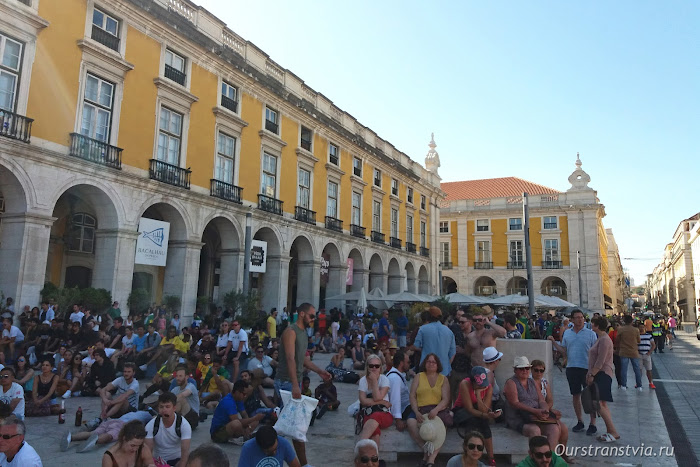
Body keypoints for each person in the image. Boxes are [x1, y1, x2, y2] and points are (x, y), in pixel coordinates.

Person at [275, 303, 331, 466]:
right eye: (311, 316)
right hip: (286, 382)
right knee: (294, 427)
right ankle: (302, 464)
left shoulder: (303, 333)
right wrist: (294, 385)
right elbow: (290, 358)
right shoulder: (291, 332)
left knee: (288, 427)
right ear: (301, 314)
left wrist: (319, 371)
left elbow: (302, 359)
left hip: (293, 381)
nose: (314, 319)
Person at [548, 309, 598, 435]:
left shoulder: (590, 334)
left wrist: (593, 371)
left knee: (590, 396)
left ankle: (593, 423)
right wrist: (554, 342)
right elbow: (564, 351)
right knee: (576, 395)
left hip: (587, 368)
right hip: (572, 367)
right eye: (577, 317)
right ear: (572, 319)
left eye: (582, 317)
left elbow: (596, 352)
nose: (580, 319)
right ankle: (580, 421)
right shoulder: (567, 334)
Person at [504, 357, 565, 453]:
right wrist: (536, 411)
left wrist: (545, 411)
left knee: (554, 429)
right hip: (519, 417)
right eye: (521, 368)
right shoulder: (511, 383)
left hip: (535, 416)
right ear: (515, 370)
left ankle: (549, 457)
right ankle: (537, 458)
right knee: (534, 430)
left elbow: (541, 400)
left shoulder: (532, 381)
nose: (525, 371)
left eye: (527, 368)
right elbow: (515, 403)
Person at [407, 353, 452, 466]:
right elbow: (412, 396)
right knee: (411, 422)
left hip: (437, 409)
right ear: (425, 363)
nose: (431, 364)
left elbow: (446, 399)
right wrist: (416, 411)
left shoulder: (443, 379)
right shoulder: (419, 376)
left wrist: (436, 410)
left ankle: (430, 459)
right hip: (421, 408)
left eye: (434, 362)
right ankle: (426, 452)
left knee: (442, 426)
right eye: (428, 361)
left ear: (438, 365)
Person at [452, 366, 497, 464]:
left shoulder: (488, 387)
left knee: (484, 424)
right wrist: (486, 416)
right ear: (472, 381)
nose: (482, 386)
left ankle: (491, 458)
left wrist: (478, 394)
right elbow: (469, 409)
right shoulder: (465, 384)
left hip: (478, 412)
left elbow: (484, 410)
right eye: (478, 384)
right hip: (462, 411)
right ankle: (469, 457)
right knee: (473, 422)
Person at [588, 316, 620, 443]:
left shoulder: (604, 340)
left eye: (592, 323)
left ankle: (613, 431)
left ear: (596, 325)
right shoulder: (600, 338)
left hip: (602, 374)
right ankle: (610, 430)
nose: (591, 325)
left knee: (598, 403)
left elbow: (601, 360)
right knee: (602, 403)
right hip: (599, 373)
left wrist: (591, 374)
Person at [60, 410, 153, 453]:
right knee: (109, 436)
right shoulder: (147, 415)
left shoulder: (131, 413)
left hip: (112, 421)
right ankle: (94, 441)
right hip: (123, 425)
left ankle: (71, 437)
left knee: (92, 433)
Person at [529, 360, 569, 454]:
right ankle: (550, 455)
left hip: (545, 411)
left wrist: (547, 409)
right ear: (531, 369)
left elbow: (550, 400)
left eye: (541, 370)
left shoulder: (544, 382)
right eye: (536, 370)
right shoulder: (528, 382)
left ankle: (562, 453)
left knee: (564, 428)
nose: (539, 373)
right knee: (556, 427)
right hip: (534, 412)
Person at [145, 392, 191, 467]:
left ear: (174, 408)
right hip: (157, 461)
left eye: (167, 407)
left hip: (177, 460)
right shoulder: (151, 425)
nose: (164, 410)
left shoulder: (184, 425)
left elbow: (185, 453)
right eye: (161, 407)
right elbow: (147, 451)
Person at [358, 354, 393, 447]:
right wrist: (382, 402)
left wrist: (374, 381)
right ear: (367, 367)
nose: (374, 368)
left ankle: (360, 446)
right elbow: (363, 401)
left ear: (380, 368)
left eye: (377, 366)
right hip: (368, 412)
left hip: (384, 413)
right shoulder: (363, 380)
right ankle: (375, 457)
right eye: (371, 366)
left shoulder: (384, 379)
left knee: (376, 416)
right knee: (375, 432)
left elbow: (377, 397)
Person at [413, 307, 456, 377]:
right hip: (444, 370)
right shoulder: (449, 331)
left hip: (426, 368)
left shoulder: (423, 329)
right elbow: (453, 352)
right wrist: (446, 364)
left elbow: (416, 346)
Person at [615, 314, 642, 391]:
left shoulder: (621, 330)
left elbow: (617, 340)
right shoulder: (636, 330)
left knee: (623, 369)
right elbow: (639, 340)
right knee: (636, 369)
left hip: (623, 351)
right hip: (634, 351)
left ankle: (623, 385)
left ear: (624, 321)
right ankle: (639, 385)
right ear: (632, 321)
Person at [387, 350, 411, 432]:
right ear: (401, 363)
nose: (409, 364)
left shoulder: (397, 375)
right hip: (404, 410)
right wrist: (398, 420)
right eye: (408, 362)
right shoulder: (395, 378)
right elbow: (395, 399)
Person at [450, 313, 472, 403]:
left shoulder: (474, 335)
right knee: (451, 394)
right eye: (459, 322)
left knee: (462, 396)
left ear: (470, 322)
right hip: (455, 368)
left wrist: (464, 351)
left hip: (467, 370)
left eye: (463, 322)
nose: (460, 324)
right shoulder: (456, 333)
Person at [170, 365, 199, 430]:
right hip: (180, 415)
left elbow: (184, 394)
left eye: (180, 376)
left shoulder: (191, 386)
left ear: (186, 377)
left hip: (192, 418)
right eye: (177, 376)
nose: (177, 378)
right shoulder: (175, 389)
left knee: (181, 399)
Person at [638, 323, 656, 389]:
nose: (641, 328)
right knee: (639, 370)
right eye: (640, 327)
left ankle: (650, 382)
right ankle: (638, 383)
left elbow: (653, 345)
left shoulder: (649, 336)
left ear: (645, 328)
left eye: (642, 327)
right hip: (639, 355)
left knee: (649, 369)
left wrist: (649, 352)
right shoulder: (637, 336)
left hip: (647, 355)